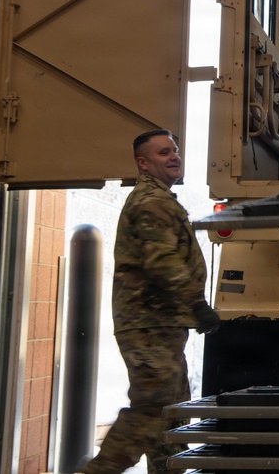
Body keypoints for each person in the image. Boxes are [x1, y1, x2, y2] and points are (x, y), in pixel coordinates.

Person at [82, 129, 221, 474]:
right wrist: (196, 303)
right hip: (149, 326)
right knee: (150, 411)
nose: (174, 156)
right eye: (163, 153)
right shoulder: (151, 202)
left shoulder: (161, 198)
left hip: (160, 324)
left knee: (170, 415)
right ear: (142, 163)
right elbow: (162, 261)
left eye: (174, 150)